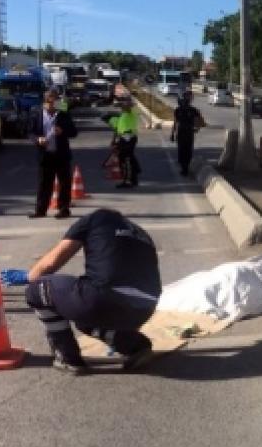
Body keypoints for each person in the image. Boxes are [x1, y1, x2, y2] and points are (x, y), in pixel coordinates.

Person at [25, 208, 161, 374]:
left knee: (37, 289)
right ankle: (135, 345)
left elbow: (49, 264)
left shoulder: (95, 219)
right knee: (85, 318)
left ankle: (67, 357)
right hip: (145, 308)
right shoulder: (141, 233)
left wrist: (30, 278)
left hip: (102, 299)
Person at [30, 89, 79, 219]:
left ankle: (63, 209)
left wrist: (62, 130)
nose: (51, 104)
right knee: (44, 183)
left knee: (64, 183)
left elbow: (74, 132)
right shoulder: (37, 114)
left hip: (61, 155)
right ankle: (40, 210)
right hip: (45, 155)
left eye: (54, 101)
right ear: (44, 102)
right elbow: (31, 133)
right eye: (49, 101)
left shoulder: (63, 114)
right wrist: (38, 140)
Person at [170, 92, 205, 176]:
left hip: (189, 133)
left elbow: (201, 121)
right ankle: (184, 168)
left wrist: (197, 129)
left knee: (188, 151)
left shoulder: (193, 110)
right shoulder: (177, 110)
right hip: (181, 133)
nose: (184, 102)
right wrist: (172, 133)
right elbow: (175, 122)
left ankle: (185, 167)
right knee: (181, 151)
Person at [109, 97, 141, 188]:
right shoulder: (122, 115)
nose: (122, 105)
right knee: (126, 158)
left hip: (129, 138)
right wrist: (114, 140)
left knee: (126, 159)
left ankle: (128, 181)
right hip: (123, 138)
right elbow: (118, 130)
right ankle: (133, 178)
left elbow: (130, 106)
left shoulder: (132, 112)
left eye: (125, 103)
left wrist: (123, 103)